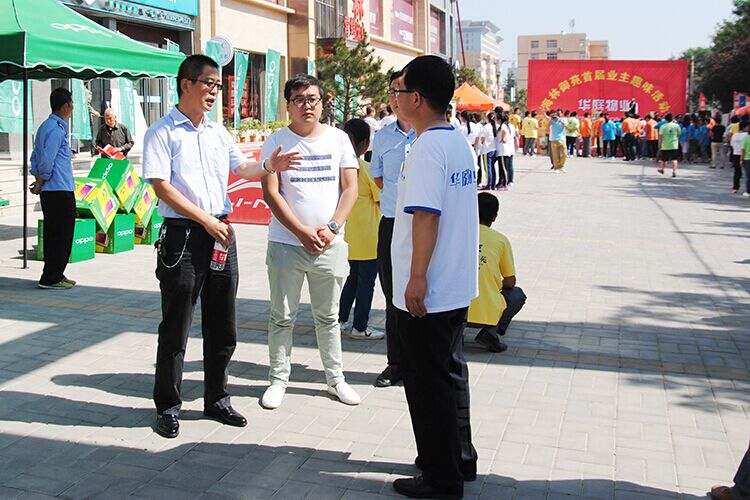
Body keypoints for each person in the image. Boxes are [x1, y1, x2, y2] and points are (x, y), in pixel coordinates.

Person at [142, 55, 301, 439]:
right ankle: (168, 405)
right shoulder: (162, 132)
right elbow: (162, 187)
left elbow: (243, 168)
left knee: (222, 322)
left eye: (218, 85)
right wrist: (206, 221)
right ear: (186, 84)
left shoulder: (217, 132)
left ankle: (216, 398)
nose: (216, 91)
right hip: (183, 237)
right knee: (176, 324)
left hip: (220, 235)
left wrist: (269, 165)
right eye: (209, 83)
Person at [388, 54, 478, 500]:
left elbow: (425, 216)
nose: (395, 99)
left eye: (399, 91)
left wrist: (416, 277)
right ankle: (460, 459)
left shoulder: (426, 147)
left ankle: (441, 480)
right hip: (455, 285)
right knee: (450, 376)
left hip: (431, 290)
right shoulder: (456, 140)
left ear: (416, 98)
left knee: (428, 387)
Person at [259, 73, 361, 410]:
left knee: (329, 317)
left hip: (329, 245)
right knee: (282, 316)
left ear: (322, 102)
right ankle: (278, 379)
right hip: (287, 244)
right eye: (299, 99)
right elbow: (272, 194)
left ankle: (335, 379)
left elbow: (350, 188)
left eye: (312, 98)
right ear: (288, 105)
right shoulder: (276, 141)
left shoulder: (339, 140)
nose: (307, 105)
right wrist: (301, 231)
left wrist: (332, 227)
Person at [371, 70, 416, 388]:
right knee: (392, 297)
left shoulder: (433, 134)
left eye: (400, 89)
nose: (395, 96)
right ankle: (396, 363)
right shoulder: (383, 136)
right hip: (391, 224)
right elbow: (377, 177)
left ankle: (421, 362)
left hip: (425, 224)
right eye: (392, 91)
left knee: (425, 293)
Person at [338, 119, 384, 340]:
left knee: (353, 278)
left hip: (349, 236)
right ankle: (360, 326)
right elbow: (381, 199)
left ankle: (341, 319)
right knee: (366, 284)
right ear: (365, 144)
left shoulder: (340, 169)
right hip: (369, 237)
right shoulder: (366, 169)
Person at [29, 88, 77, 290]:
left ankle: (55, 272)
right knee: (62, 233)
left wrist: (38, 177)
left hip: (53, 189)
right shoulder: (56, 129)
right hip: (59, 189)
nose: (73, 108)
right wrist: (41, 180)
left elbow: (35, 157)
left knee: (54, 232)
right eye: (71, 104)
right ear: (65, 106)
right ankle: (51, 277)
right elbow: (46, 160)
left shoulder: (44, 127)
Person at [468, 193, 526, 354]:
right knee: (517, 294)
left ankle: (454, 333)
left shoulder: (456, 233)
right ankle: (491, 332)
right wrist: (493, 283)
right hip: (488, 311)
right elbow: (510, 281)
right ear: (494, 216)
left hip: (455, 308)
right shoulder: (500, 240)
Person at [657, 113, 681, 178]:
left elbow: (660, 136)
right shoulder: (677, 126)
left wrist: (659, 144)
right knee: (674, 159)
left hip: (665, 145)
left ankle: (662, 169)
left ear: (665, 119)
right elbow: (679, 135)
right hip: (674, 145)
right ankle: (674, 171)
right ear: (672, 119)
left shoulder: (663, 126)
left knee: (664, 159)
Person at [497, 112, 516, 189]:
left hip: (504, 149)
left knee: (504, 167)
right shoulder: (511, 126)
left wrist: (502, 139)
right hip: (510, 148)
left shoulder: (503, 126)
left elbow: (504, 138)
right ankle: (510, 181)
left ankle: (505, 182)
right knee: (510, 166)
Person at [730, 120, 749, 193]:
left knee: (737, 172)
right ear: (745, 127)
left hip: (736, 154)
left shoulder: (735, 135)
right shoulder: (747, 135)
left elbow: (732, 144)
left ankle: (735, 187)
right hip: (745, 155)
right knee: (747, 173)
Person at [742, 121, 750, 197]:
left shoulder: (746, 138)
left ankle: (748, 191)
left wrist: (741, 160)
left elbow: (743, 150)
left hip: (747, 159)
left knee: (748, 176)